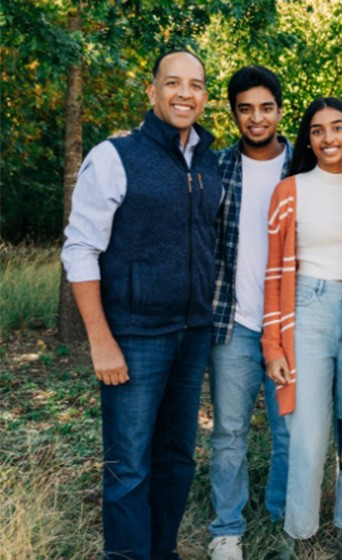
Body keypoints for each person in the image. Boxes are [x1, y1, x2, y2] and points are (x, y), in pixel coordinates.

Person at [61, 50, 222, 560]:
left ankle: (162, 552)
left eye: (195, 85)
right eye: (172, 83)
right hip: (133, 336)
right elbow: (80, 247)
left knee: (177, 458)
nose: (184, 93)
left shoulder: (211, 161)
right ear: (151, 92)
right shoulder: (115, 155)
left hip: (193, 333)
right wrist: (101, 339)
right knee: (129, 465)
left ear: (204, 97)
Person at [262, 97, 342, 558]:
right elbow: (273, 271)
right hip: (307, 308)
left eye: (337, 128)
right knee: (307, 434)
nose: (328, 138)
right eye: (317, 130)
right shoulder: (290, 190)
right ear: (308, 138)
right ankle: (299, 531)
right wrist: (273, 345)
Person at [209, 66, 292, 560]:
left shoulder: (304, 168)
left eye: (265, 107)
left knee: (289, 432)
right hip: (233, 324)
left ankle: (283, 519)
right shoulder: (216, 167)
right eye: (245, 109)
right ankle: (227, 529)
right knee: (229, 432)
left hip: (289, 325)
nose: (256, 118)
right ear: (235, 114)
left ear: (280, 111)